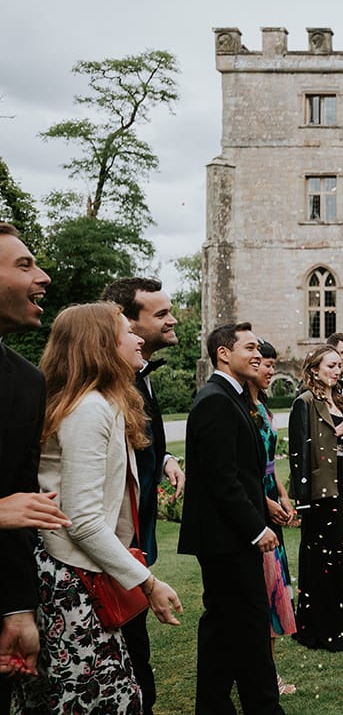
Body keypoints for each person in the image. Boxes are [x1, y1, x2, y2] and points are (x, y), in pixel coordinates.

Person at [15, 303, 182, 713]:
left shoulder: (100, 403)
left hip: (80, 574)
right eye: (127, 331)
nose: (139, 338)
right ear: (102, 344)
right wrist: (148, 583)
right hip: (70, 581)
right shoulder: (89, 409)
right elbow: (83, 521)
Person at [177, 322, 284, 715]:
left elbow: (240, 471)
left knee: (221, 629)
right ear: (224, 353)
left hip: (229, 535)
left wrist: (266, 504)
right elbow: (221, 480)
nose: (258, 355)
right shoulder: (216, 400)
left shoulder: (234, 397)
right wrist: (257, 529)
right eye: (250, 347)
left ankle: (213, 705)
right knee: (251, 631)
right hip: (227, 540)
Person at [100, 276, 187, 715]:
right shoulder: (108, 387)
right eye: (162, 314)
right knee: (129, 661)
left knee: (137, 654)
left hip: (138, 544)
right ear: (129, 323)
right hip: (110, 548)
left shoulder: (143, 373)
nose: (173, 320)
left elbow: (144, 435)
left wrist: (167, 455)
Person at [0, 223, 64, 712]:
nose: (42, 277)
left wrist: (19, 611)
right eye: (24, 265)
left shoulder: (26, 383)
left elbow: (22, 514)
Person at [288, 344, 343, 651]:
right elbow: (301, 451)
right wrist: (342, 429)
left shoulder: (339, 400)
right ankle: (318, 627)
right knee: (319, 558)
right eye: (331, 366)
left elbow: (342, 449)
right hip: (318, 492)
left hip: (340, 487)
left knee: (338, 557)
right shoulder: (304, 402)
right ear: (314, 370)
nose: (337, 371)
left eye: (339, 366)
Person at [247, 340, 297, 695]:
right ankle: (265, 676)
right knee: (262, 591)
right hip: (252, 502)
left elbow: (268, 460)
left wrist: (281, 491)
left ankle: (268, 670)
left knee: (273, 587)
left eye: (272, 364)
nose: (269, 370)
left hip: (267, 494)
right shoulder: (240, 407)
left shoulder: (262, 407)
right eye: (265, 363)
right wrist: (265, 501)